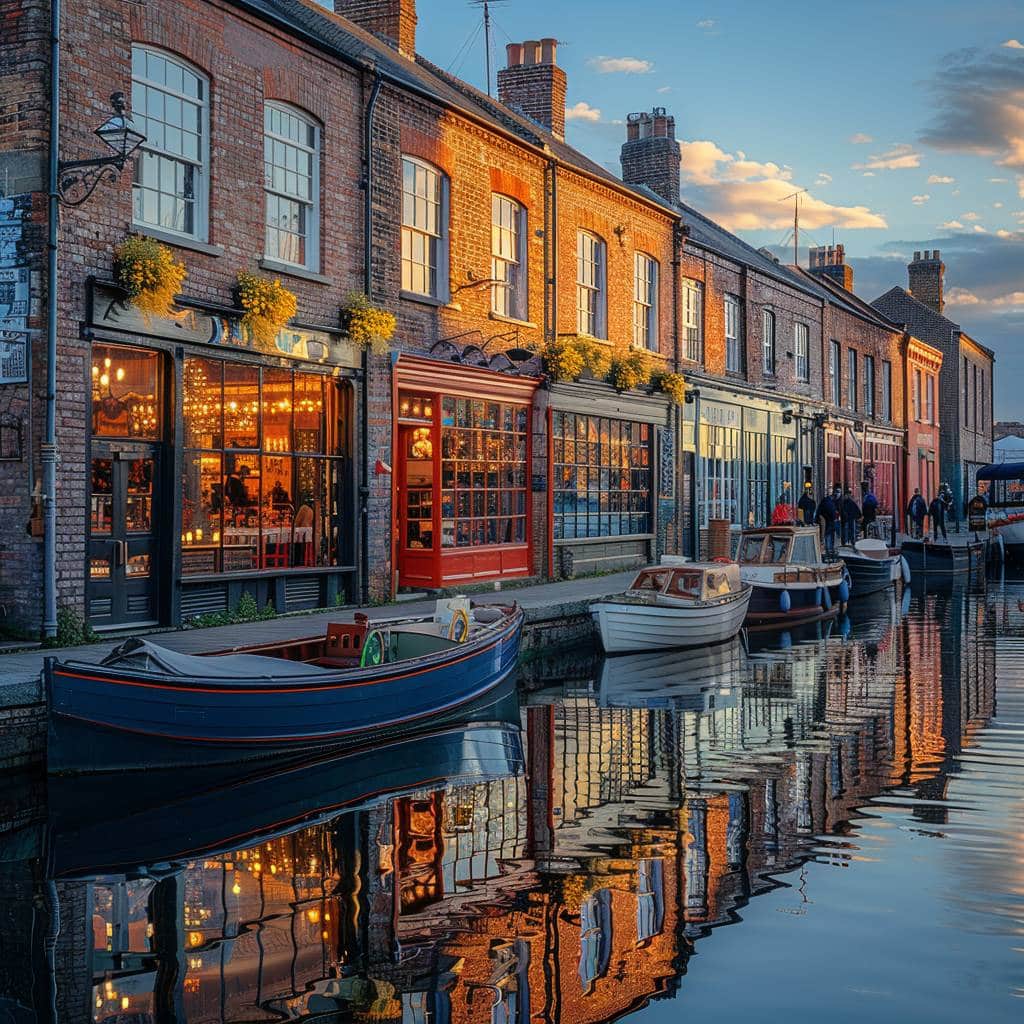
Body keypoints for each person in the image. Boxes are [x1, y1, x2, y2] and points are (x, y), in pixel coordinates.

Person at [816, 486, 841, 555]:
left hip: (827, 522)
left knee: (828, 535)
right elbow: (831, 513)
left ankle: (829, 549)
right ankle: (829, 550)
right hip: (828, 522)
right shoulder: (829, 502)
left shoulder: (827, 501)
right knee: (828, 536)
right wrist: (835, 516)